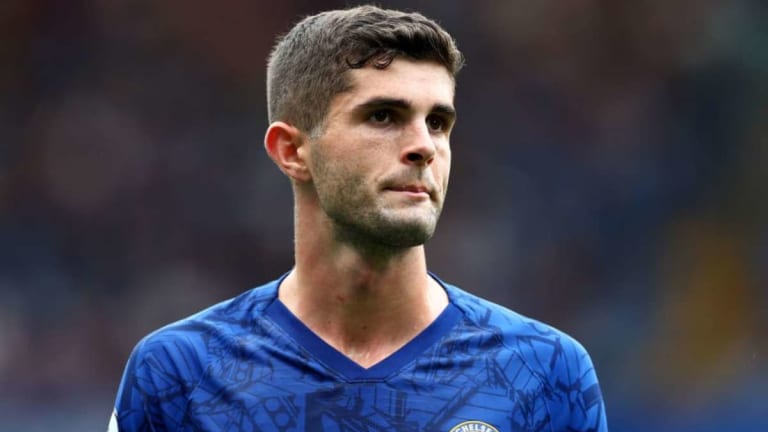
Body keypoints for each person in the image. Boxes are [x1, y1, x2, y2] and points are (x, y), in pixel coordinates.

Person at [110, 5, 608, 431]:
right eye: (383, 116)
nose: (424, 147)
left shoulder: (546, 373)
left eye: (438, 122)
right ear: (292, 151)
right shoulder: (179, 373)